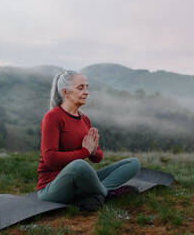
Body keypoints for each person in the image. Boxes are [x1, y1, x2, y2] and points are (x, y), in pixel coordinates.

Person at [36, 70, 140, 211]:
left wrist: (93, 150)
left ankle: (97, 194)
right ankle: (107, 193)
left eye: (87, 87)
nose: (86, 92)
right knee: (79, 165)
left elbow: (97, 158)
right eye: (80, 88)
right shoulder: (53, 117)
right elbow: (50, 158)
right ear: (65, 92)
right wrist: (84, 151)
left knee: (133, 163)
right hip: (51, 188)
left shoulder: (84, 119)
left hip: (78, 183)